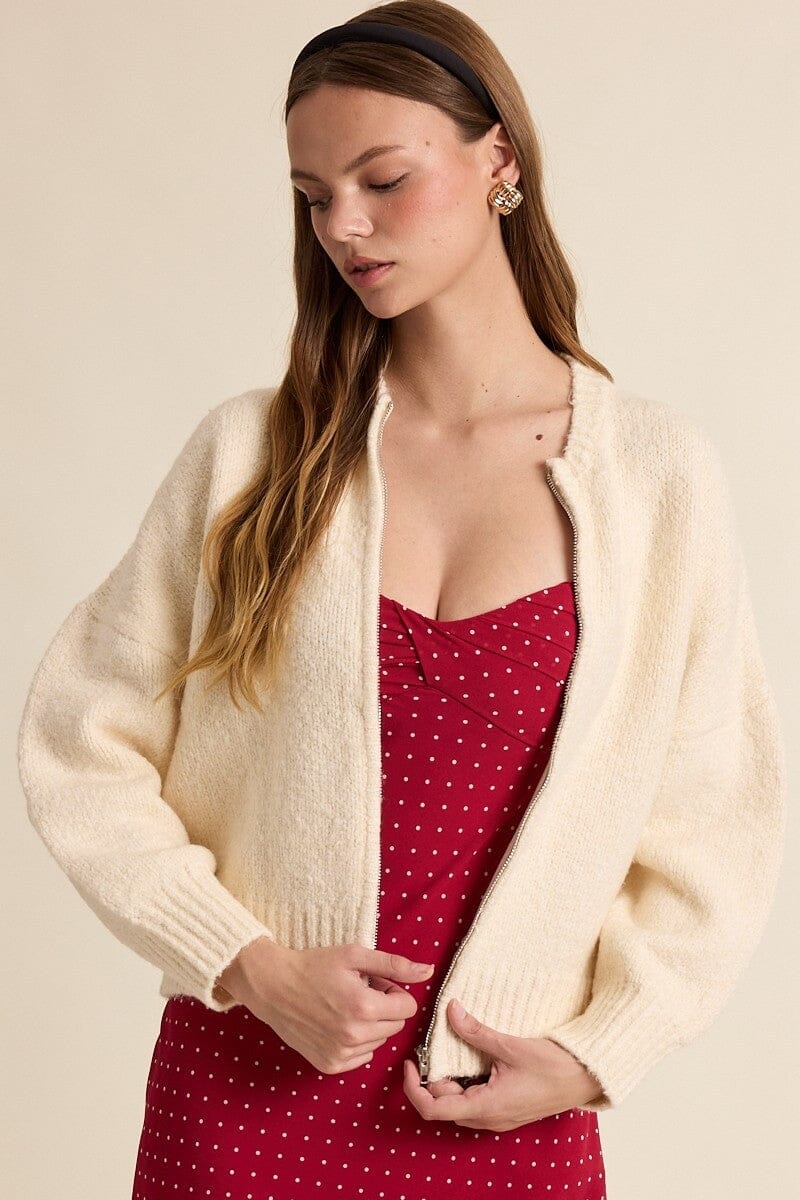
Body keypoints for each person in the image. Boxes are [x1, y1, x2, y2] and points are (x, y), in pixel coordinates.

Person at [17, 3, 786, 1197]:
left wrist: (594, 1055)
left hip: (503, 1110)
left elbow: (716, 818)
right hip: (243, 1094)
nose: (344, 225)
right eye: (312, 195)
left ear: (498, 160)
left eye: (382, 180)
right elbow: (81, 741)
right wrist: (246, 962)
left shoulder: (653, 480)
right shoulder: (253, 455)